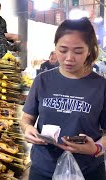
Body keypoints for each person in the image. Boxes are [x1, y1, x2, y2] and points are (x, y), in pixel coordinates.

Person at [21, 17, 106, 180]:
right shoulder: (42, 80)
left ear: (89, 50)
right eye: (63, 50)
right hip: (43, 169)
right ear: (55, 48)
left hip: (87, 171)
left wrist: (95, 148)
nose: (69, 58)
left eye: (78, 51)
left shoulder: (101, 86)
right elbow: (26, 119)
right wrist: (27, 129)